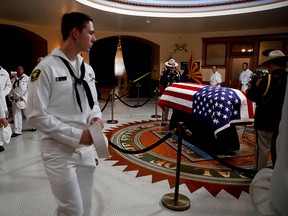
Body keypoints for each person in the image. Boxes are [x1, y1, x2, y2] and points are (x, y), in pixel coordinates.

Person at [26, 12, 108, 216]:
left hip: (87, 148)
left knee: (86, 205)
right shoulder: (45, 69)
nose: (94, 38)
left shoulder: (87, 69)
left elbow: (93, 103)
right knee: (71, 209)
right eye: (90, 33)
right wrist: (78, 136)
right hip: (59, 151)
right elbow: (36, 115)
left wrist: (96, 118)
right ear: (75, 33)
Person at [246, 50, 288, 171]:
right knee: (278, 147)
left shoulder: (269, 78)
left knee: (263, 148)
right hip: (282, 120)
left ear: (271, 64)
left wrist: (253, 87)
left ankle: (258, 172)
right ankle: (277, 171)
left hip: (266, 120)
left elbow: (253, 96)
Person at [9, 65, 29, 137]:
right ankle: (17, 130)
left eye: (21, 69)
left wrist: (23, 97)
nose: (19, 70)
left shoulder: (27, 78)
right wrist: (10, 96)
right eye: (18, 69)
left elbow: (29, 89)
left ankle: (34, 126)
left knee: (28, 114)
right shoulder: (12, 80)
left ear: (23, 70)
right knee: (16, 115)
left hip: (24, 99)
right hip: (15, 100)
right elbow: (10, 90)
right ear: (16, 71)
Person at [160, 58, 181, 125]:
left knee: (175, 108)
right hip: (167, 92)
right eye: (170, 67)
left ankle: (174, 121)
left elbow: (180, 82)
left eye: (173, 67)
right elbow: (162, 82)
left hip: (175, 93)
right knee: (165, 107)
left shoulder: (178, 73)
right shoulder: (165, 73)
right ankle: (164, 120)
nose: (172, 68)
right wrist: (168, 77)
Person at [0, 66, 12, 151]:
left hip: (1, 101)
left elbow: (8, 86)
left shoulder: (4, 72)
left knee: (1, 123)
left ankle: (0, 143)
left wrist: (2, 93)